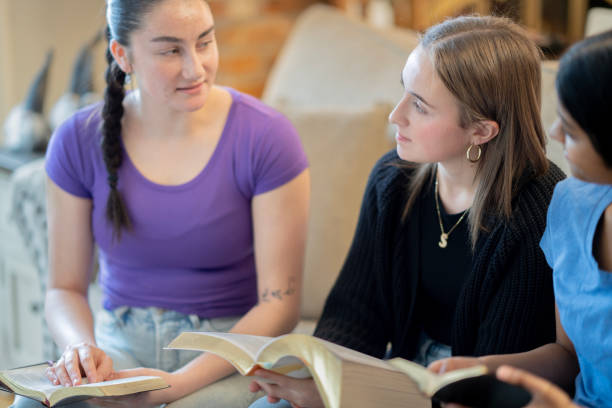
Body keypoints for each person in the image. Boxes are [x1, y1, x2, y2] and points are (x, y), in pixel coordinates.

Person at [248, 14, 566, 408]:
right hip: (402, 373)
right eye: (405, 91)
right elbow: (355, 313)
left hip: (467, 391)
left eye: (420, 105)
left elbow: (488, 386)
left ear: (481, 131)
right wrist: (319, 376)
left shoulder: (538, 211)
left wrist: (341, 397)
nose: (395, 115)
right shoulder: (392, 179)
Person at [12, 0, 310, 407]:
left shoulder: (268, 136)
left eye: (204, 42)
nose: (195, 68)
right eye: (170, 50)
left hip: (227, 355)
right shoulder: (76, 140)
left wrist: (176, 384)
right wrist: (81, 349)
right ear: (123, 55)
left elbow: (281, 305)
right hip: (118, 346)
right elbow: (64, 288)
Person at [430, 29, 612, 408]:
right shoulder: (569, 205)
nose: (554, 133)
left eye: (571, 130)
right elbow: (568, 356)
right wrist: (481, 369)